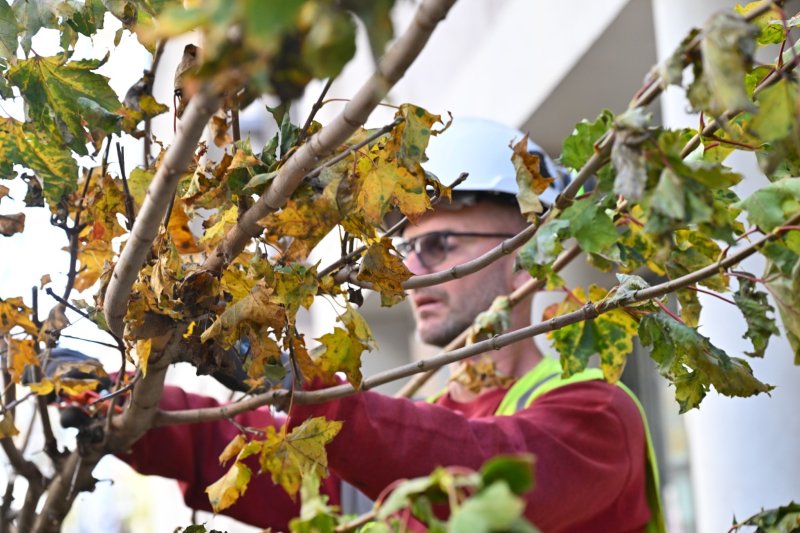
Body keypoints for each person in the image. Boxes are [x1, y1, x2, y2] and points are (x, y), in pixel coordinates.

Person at [119, 117, 663, 532]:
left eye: (439, 245)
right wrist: (123, 405)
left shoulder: (597, 417)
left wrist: (295, 381)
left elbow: (481, 472)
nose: (409, 274)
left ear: (526, 254)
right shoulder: (413, 430)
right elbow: (283, 463)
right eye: (406, 248)